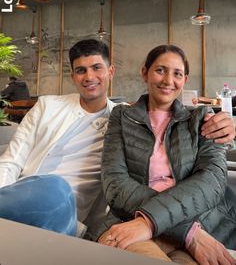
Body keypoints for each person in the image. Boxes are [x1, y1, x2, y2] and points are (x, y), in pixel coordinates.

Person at [0, 40, 234, 239]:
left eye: (96, 68)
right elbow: (11, 161)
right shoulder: (48, 106)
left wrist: (227, 127)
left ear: (110, 72)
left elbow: (199, 155)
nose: (89, 76)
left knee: (56, 189)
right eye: (81, 70)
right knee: (49, 187)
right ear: (72, 75)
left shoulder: (122, 117)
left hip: (68, 216)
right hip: (23, 199)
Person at [97, 44, 236, 264]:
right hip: (132, 221)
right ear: (145, 72)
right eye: (160, 70)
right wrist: (187, 231)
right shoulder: (122, 117)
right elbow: (115, 183)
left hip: (194, 223)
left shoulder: (202, 118)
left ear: (185, 80)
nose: (168, 80)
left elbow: (212, 180)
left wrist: (154, 221)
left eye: (177, 73)